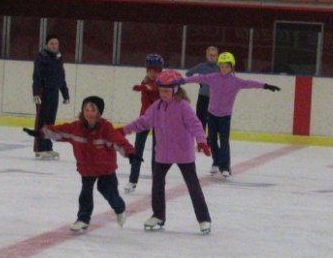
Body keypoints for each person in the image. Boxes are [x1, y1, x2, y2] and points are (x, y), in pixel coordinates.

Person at [121, 70, 213, 234]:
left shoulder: (183, 106)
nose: (163, 94)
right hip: (163, 153)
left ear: (175, 90)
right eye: (161, 91)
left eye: (166, 91)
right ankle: (158, 215)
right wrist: (123, 130)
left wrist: (201, 141)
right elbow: (143, 122)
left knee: (193, 185)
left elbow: (196, 124)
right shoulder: (157, 106)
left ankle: (204, 219)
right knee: (157, 183)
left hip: (183, 153)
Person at [40, 96, 137, 232]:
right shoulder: (76, 127)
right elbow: (60, 131)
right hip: (86, 167)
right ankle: (83, 219)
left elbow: (118, 141)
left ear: (99, 112)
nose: (89, 113)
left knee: (109, 192)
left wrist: (130, 153)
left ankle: (120, 208)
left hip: (105, 168)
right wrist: (42, 132)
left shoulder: (105, 128)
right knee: (85, 193)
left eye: (93, 110)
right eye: (86, 110)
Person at [179, 51, 280, 178]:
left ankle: (225, 166)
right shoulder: (213, 77)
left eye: (226, 66)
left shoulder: (236, 81)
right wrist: (182, 81)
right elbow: (198, 78)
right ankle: (216, 162)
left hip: (225, 117)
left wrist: (265, 86)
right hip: (212, 115)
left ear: (232, 67)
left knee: (224, 141)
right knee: (212, 141)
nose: (224, 69)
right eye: (221, 66)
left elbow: (250, 83)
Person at [125, 53, 164, 193]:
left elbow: (157, 88)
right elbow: (146, 102)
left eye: (156, 70)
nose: (153, 73)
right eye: (150, 70)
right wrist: (145, 87)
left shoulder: (164, 83)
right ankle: (132, 180)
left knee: (157, 152)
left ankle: (156, 182)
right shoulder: (144, 83)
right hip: (145, 118)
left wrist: (147, 88)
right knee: (137, 149)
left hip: (160, 120)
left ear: (160, 70)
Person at [29, 33, 70, 159]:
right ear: (46, 45)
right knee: (42, 121)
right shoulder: (41, 58)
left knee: (50, 122)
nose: (54, 45)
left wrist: (65, 94)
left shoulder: (58, 58)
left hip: (54, 92)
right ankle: (39, 148)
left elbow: (61, 77)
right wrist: (36, 93)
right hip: (43, 91)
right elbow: (37, 77)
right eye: (51, 43)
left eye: (56, 43)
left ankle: (47, 146)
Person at [185, 45, 219, 133]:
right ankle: (201, 139)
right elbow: (188, 73)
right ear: (206, 55)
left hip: (215, 100)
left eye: (214, 55)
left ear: (217, 56)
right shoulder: (201, 66)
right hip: (203, 98)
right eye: (210, 55)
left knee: (212, 122)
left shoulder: (219, 68)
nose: (212, 57)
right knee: (200, 121)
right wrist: (197, 79)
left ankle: (210, 140)